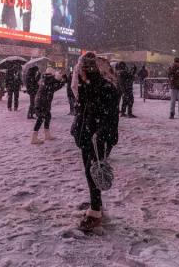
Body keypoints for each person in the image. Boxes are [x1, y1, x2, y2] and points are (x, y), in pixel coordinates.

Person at [71, 53, 120, 232]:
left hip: (97, 139)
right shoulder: (89, 86)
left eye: (80, 69)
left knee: (94, 172)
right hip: (87, 137)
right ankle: (96, 204)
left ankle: (96, 211)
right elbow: (82, 111)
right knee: (90, 171)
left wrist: (99, 140)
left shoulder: (105, 88)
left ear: (85, 69)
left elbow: (108, 119)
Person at [31, 68, 66, 144]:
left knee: (47, 116)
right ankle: (34, 138)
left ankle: (47, 135)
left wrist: (62, 82)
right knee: (40, 118)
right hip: (42, 102)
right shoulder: (48, 79)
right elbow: (54, 86)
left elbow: (54, 88)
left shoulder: (46, 79)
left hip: (43, 101)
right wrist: (61, 80)